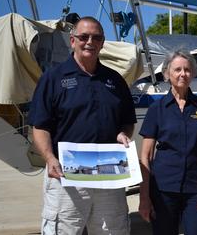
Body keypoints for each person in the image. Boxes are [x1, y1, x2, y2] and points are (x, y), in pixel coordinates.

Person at [30, 16, 136, 235]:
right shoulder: (53, 79)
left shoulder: (115, 81)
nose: (90, 41)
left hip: (109, 173)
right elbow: (40, 126)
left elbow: (126, 121)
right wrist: (49, 158)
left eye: (96, 37)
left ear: (102, 42)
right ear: (72, 40)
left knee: (114, 231)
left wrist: (123, 134)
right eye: (84, 37)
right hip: (66, 175)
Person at [138, 50, 197, 235]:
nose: (183, 74)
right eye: (177, 69)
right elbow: (145, 156)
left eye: (187, 69)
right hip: (162, 189)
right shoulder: (156, 109)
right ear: (167, 73)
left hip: (196, 189)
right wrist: (144, 197)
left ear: (193, 73)